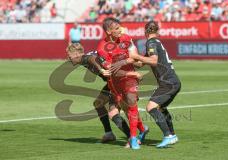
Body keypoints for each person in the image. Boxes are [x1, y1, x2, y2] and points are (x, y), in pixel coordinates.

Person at [97, 17, 149, 150]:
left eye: (119, 27)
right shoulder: (102, 48)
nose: (120, 30)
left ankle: (133, 139)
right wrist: (131, 72)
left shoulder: (126, 38)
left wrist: (131, 64)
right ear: (108, 31)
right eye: (116, 28)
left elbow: (133, 56)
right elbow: (112, 71)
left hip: (130, 80)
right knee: (126, 109)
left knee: (131, 104)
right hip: (115, 83)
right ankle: (142, 130)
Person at [129, 21, 181, 148]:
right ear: (157, 31)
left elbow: (153, 61)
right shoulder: (156, 42)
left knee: (151, 107)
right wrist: (130, 57)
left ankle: (168, 136)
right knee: (161, 108)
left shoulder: (151, 43)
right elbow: (141, 64)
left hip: (167, 83)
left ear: (145, 31)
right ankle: (172, 135)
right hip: (173, 81)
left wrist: (135, 55)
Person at [66, 43, 131, 143]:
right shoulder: (84, 58)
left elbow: (91, 58)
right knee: (98, 103)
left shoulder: (85, 58)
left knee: (113, 113)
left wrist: (101, 70)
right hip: (113, 82)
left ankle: (132, 137)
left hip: (119, 82)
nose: (68, 58)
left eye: (69, 55)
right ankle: (109, 134)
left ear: (75, 54)